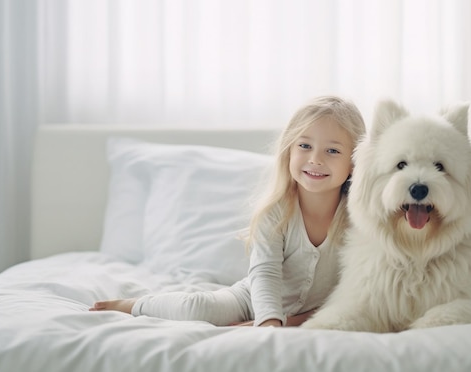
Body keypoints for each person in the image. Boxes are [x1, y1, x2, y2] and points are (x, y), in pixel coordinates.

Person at [90, 96, 366, 327]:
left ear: (355, 162)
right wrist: (269, 322)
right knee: (197, 308)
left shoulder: (360, 219)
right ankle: (134, 304)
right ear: (289, 152)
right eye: (305, 146)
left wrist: (287, 322)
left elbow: (351, 292)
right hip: (252, 297)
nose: (315, 159)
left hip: (316, 312)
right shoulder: (277, 212)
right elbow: (265, 275)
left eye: (332, 150)